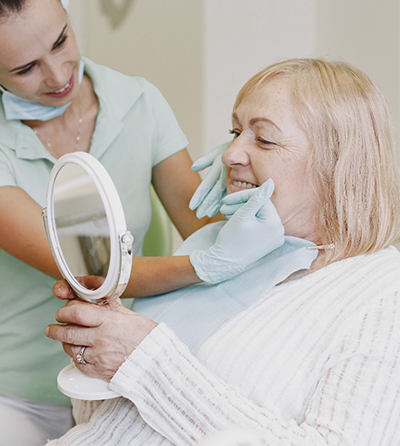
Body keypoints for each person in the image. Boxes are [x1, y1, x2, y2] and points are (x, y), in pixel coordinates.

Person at [0, 0, 228, 444]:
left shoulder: (138, 101)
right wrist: (216, 262)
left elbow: (203, 226)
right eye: (24, 68)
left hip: (127, 374)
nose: (59, 76)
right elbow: (88, 270)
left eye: (61, 41)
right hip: (16, 388)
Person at [45, 58, 400, 446]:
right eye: (234, 132)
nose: (230, 154)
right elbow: (103, 424)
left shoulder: (381, 296)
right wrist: (100, 348)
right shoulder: (228, 246)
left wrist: (142, 358)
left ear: (338, 164)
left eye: (264, 138)